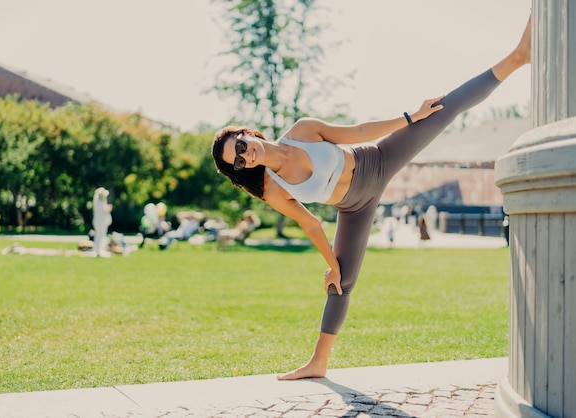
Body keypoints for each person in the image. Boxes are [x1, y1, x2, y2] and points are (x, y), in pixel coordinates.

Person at [211, 15, 531, 380]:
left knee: (443, 111)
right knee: (341, 282)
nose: (244, 156)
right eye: (237, 161)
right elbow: (311, 223)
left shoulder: (302, 130)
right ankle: (318, 364)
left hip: (375, 160)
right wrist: (332, 263)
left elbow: (359, 131)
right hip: (354, 207)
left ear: (245, 133)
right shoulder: (271, 188)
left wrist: (411, 116)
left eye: (241, 146)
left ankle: (518, 56)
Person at [92, 187, 113, 258]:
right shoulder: (99, 203)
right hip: (100, 223)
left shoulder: (99, 203)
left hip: (100, 222)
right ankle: (97, 251)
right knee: (99, 237)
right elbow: (104, 212)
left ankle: (98, 250)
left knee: (100, 237)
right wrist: (108, 209)